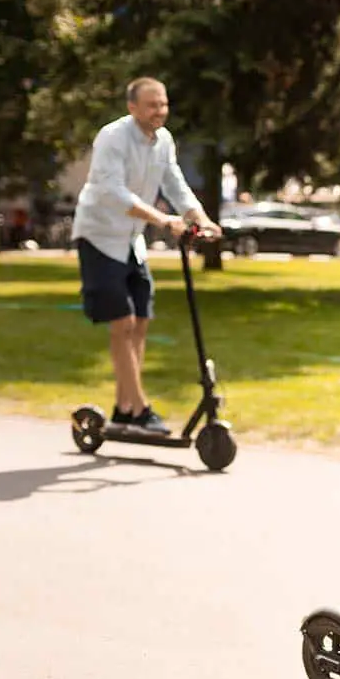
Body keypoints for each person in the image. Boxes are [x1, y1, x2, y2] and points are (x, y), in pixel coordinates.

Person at [72, 77, 221, 435]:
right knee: (121, 324)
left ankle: (124, 409)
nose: (160, 111)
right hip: (99, 237)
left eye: (164, 104)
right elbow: (111, 191)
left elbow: (173, 183)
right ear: (132, 107)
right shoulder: (113, 137)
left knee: (140, 322)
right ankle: (140, 409)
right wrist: (162, 220)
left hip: (131, 242)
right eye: (152, 105)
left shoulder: (163, 140)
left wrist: (199, 218)